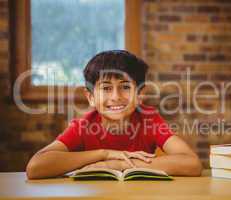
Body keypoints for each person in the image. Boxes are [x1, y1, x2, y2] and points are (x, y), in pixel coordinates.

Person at [26, 50, 202, 179]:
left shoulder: (149, 119)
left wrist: (120, 164)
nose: (116, 97)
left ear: (140, 94)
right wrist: (104, 154)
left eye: (125, 87)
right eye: (106, 88)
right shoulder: (84, 125)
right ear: (91, 97)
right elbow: (35, 168)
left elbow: (192, 164)